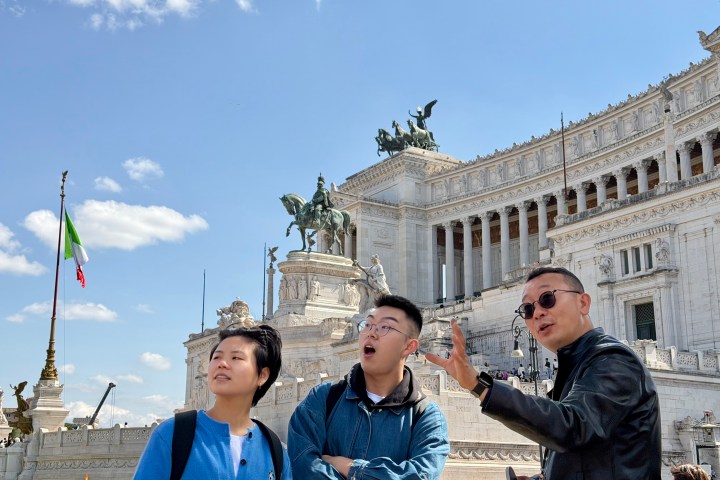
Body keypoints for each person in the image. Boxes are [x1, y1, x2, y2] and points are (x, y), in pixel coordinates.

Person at [427, 266, 661, 479]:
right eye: (528, 309)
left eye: (547, 299)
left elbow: (572, 427)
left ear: (583, 303)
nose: (537, 313)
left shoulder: (615, 361)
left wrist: (480, 386)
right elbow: (589, 458)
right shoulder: (577, 368)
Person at [288, 294, 450, 479]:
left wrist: (352, 468)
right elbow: (301, 464)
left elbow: (420, 476)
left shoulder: (427, 418)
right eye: (368, 324)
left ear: (408, 346)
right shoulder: (322, 398)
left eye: (384, 327)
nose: (371, 333)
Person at [134, 325, 292, 479]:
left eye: (236, 357)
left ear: (263, 375)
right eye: (217, 357)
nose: (221, 363)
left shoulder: (275, 451)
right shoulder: (171, 434)